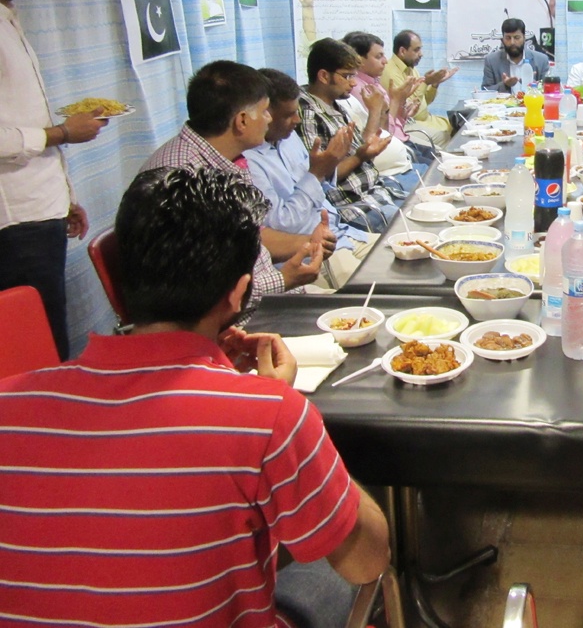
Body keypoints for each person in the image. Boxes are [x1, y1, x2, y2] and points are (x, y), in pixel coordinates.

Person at [0, 166, 390, 625]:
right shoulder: (270, 416)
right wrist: (281, 416)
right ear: (238, 294)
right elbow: (368, 560)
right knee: (326, 566)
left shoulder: (8, 403)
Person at [0, 0, 108, 359]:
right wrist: (62, 133)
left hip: (37, 213)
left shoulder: (9, 20)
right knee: (34, 350)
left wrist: (61, 199)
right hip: (14, 226)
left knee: (48, 335)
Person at [141, 60, 328, 321]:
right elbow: (201, 295)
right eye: (264, 112)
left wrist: (307, 245)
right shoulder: (186, 180)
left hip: (262, 298)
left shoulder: (225, 160)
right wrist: (283, 279)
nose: (269, 119)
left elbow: (250, 234)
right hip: (237, 321)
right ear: (242, 121)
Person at [245, 68, 375, 290]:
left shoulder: (287, 138)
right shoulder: (248, 162)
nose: (297, 120)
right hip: (311, 250)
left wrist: (330, 162)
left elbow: (317, 185)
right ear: (264, 113)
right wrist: (316, 173)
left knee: (405, 255)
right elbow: (283, 225)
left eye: (296, 111)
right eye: (288, 115)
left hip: (340, 232)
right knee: (383, 290)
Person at [299, 37, 401, 234]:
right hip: (355, 208)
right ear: (323, 76)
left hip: (375, 192)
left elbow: (356, 152)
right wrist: (360, 157)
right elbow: (320, 177)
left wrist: (366, 151)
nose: (353, 83)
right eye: (346, 76)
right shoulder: (308, 115)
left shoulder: (334, 104)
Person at [342, 30, 435, 169]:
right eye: (378, 57)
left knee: (441, 159)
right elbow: (382, 133)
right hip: (394, 148)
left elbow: (394, 123)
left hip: (402, 140)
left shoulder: (374, 81)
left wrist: (402, 107)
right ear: (359, 60)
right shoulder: (359, 89)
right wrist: (397, 100)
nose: (385, 61)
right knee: (436, 169)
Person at [380, 29, 456, 149]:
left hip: (426, 119)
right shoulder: (391, 73)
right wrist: (426, 82)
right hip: (410, 123)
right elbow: (412, 110)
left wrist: (434, 84)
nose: (421, 54)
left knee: (457, 125)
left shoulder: (411, 68)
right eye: (416, 50)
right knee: (446, 136)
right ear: (402, 51)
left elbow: (424, 101)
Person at [481, 17, 550, 93]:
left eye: (517, 38)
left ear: (524, 38)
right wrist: (505, 85)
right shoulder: (491, 61)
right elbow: (485, 90)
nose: (512, 42)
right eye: (508, 38)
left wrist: (531, 83)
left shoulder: (541, 60)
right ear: (502, 40)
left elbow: (548, 90)